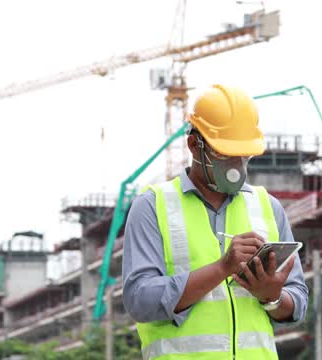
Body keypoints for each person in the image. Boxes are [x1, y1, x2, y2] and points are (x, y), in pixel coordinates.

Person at [122, 84, 308, 360]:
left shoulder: (268, 207)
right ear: (194, 145)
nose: (236, 165)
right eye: (224, 153)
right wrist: (222, 268)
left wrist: (272, 297)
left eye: (243, 154)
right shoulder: (152, 206)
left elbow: (299, 302)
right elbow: (140, 300)